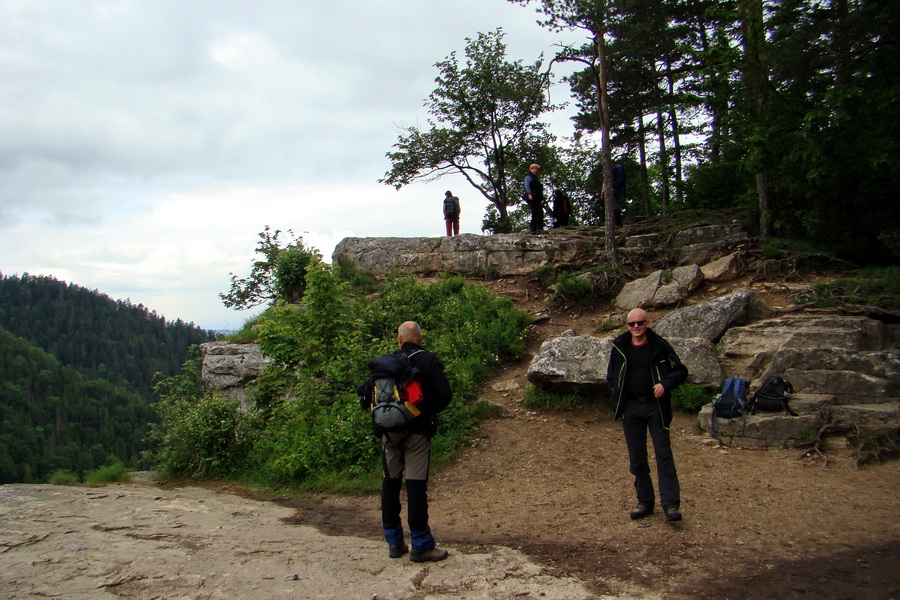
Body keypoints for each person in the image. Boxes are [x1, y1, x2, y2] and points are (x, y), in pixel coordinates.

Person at [372, 321, 452, 562]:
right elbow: (444, 394)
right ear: (421, 337)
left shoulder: (385, 362)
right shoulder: (428, 360)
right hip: (418, 432)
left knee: (390, 483)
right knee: (416, 486)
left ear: (399, 339)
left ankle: (394, 543)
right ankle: (421, 545)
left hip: (388, 432)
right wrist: (426, 414)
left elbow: (367, 394)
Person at [606, 308, 688, 523]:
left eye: (640, 323)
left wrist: (665, 384)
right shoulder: (620, 347)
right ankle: (645, 502)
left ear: (647, 323)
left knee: (663, 456)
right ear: (627, 326)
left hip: (655, 407)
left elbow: (680, 370)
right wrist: (618, 399)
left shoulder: (659, 346)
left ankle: (670, 505)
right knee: (637, 458)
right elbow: (611, 376)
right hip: (631, 409)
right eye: (632, 324)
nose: (636, 327)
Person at [523, 163, 545, 233]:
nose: (535, 170)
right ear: (531, 169)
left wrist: (542, 196)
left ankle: (534, 229)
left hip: (536, 197)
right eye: (534, 169)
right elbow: (527, 186)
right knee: (539, 212)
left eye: (536, 169)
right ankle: (538, 228)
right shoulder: (529, 177)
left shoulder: (535, 178)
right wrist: (529, 194)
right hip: (532, 197)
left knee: (535, 212)